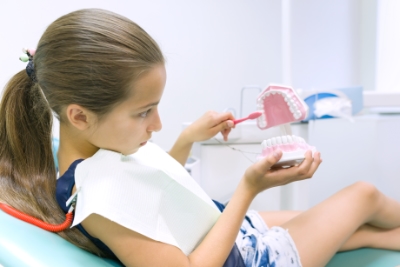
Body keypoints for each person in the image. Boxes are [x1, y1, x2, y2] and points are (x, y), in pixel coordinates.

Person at [1, 8, 400, 267]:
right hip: (250, 258)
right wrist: (249, 188)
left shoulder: (97, 158)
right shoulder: (97, 200)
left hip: (229, 231)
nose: (156, 124)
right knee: (363, 195)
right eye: (143, 112)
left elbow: (149, 192)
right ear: (79, 116)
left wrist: (188, 138)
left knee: (361, 230)